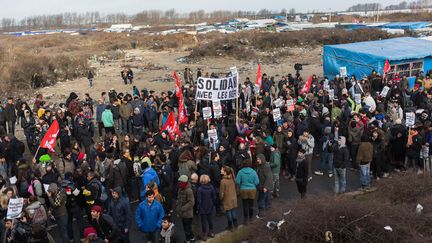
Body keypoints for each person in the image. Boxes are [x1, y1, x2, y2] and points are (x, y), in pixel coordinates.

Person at [235, 159, 259, 224]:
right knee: (251, 204)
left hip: (243, 189)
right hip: (252, 189)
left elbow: (237, 181)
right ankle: (251, 218)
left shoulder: (240, 172)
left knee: (245, 205)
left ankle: (246, 219)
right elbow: (257, 182)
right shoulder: (253, 172)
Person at [175, 175, 195, 242]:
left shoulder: (189, 190)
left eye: (180, 181)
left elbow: (191, 202)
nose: (179, 183)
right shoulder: (180, 188)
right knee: (186, 227)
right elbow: (178, 198)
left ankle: (188, 240)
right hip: (182, 213)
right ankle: (191, 238)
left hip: (187, 213)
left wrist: (182, 208)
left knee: (187, 228)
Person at [196, 174, 216, 240]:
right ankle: (211, 232)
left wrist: (198, 207)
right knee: (210, 220)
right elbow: (214, 197)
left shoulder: (200, 189)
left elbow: (199, 200)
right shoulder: (211, 187)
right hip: (210, 206)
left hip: (202, 207)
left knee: (203, 221)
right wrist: (212, 204)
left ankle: (204, 234)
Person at [220, 165, 238, 231]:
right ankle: (235, 224)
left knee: (228, 212)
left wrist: (221, 198)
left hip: (227, 199)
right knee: (233, 211)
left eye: (221, 170)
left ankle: (230, 226)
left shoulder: (223, 181)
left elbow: (222, 192)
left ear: (225, 172)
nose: (220, 171)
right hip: (233, 197)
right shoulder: (232, 178)